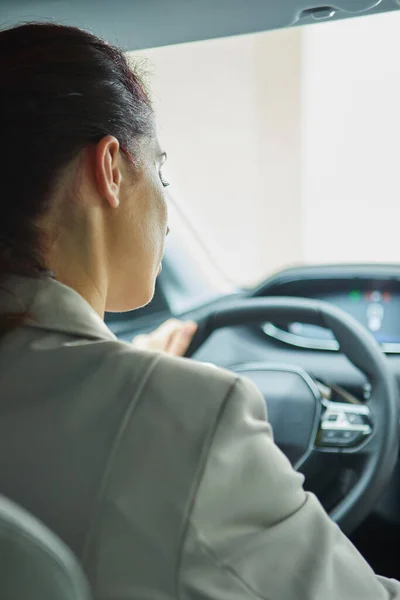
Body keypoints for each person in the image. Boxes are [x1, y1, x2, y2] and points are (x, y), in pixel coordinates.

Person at [0, 22, 398, 600]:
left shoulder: (147, 404)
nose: (165, 212)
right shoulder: (188, 414)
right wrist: (148, 395)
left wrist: (126, 374)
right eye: (159, 170)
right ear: (110, 169)